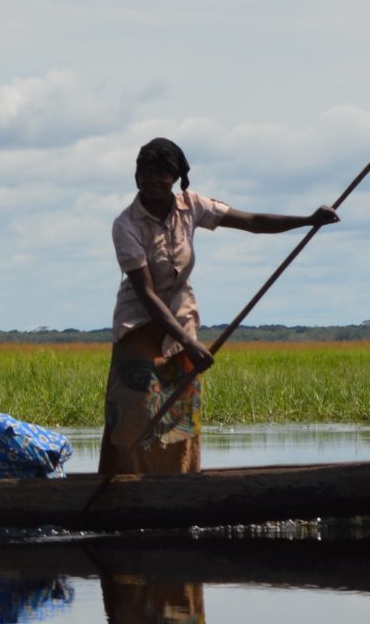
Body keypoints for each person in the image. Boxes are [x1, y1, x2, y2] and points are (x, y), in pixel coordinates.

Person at [102, 138, 338, 477]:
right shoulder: (125, 224)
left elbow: (253, 221)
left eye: (161, 173)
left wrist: (307, 220)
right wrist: (189, 343)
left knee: (178, 417)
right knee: (135, 414)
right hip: (139, 326)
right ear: (136, 176)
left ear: (176, 177)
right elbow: (146, 293)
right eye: (146, 172)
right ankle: (125, 486)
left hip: (182, 320)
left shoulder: (192, 205)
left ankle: (179, 484)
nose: (153, 180)